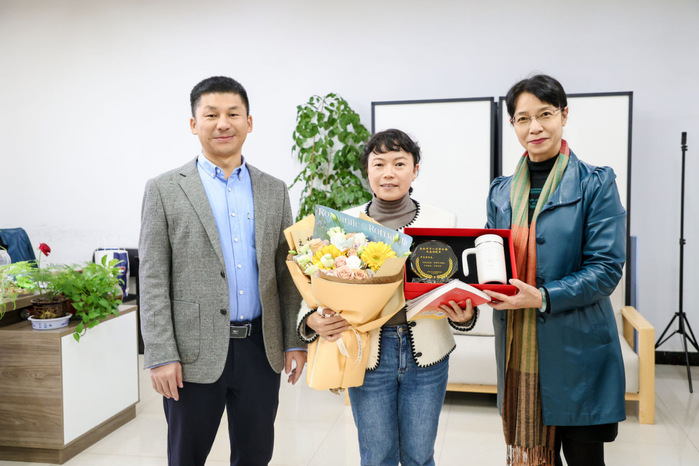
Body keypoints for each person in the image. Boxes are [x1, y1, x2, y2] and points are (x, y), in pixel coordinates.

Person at [139, 76, 305, 466]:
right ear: (193, 124)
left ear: (249, 122)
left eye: (233, 114)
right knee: (186, 457)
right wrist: (160, 354)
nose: (223, 124)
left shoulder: (274, 189)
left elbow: (287, 273)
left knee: (255, 455)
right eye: (211, 115)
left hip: (260, 350)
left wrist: (294, 340)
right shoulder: (164, 189)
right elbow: (152, 277)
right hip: (191, 354)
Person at [296, 129, 479, 466]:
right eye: (379, 164)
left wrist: (466, 315)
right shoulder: (343, 223)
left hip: (428, 354)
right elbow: (313, 283)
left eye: (399, 163)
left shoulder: (443, 220)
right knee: (377, 456)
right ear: (367, 171)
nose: (389, 173)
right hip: (367, 356)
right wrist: (310, 320)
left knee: (419, 456)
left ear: (415, 170)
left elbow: (460, 285)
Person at [484, 74, 626, 466]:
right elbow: (490, 261)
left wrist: (544, 297)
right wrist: (469, 298)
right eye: (523, 118)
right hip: (518, 352)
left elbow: (606, 269)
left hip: (578, 353)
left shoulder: (596, 183)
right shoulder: (500, 192)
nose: (535, 127)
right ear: (513, 124)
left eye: (544, 114)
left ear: (564, 115)